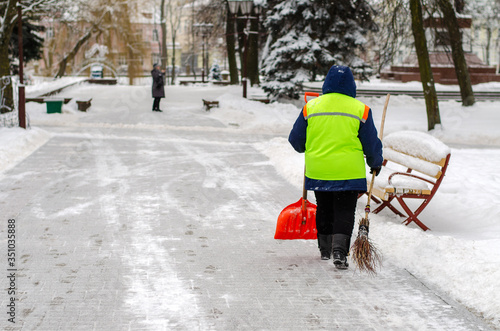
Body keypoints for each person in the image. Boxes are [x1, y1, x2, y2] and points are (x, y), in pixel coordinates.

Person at [288, 65, 383, 270]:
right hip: (348, 172)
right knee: (344, 209)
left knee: (324, 207)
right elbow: (371, 144)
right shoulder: (361, 109)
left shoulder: (310, 107)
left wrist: (310, 145)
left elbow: (296, 141)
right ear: (351, 85)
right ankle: (340, 251)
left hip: (319, 170)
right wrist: (375, 162)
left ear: (326, 83)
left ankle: (325, 249)